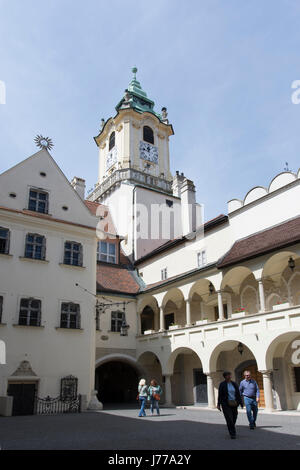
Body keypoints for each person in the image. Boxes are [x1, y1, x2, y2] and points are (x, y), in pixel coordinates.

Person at [217, 371, 243, 439]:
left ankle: (231, 427)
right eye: (228, 375)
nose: (229, 376)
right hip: (225, 404)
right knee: (229, 418)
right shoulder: (222, 384)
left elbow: (238, 394)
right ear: (225, 377)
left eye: (230, 375)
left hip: (234, 403)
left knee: (234, 417)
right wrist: (218, 404)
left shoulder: (234, 384)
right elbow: (220, 395)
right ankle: (232, 433)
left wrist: (240, 403)